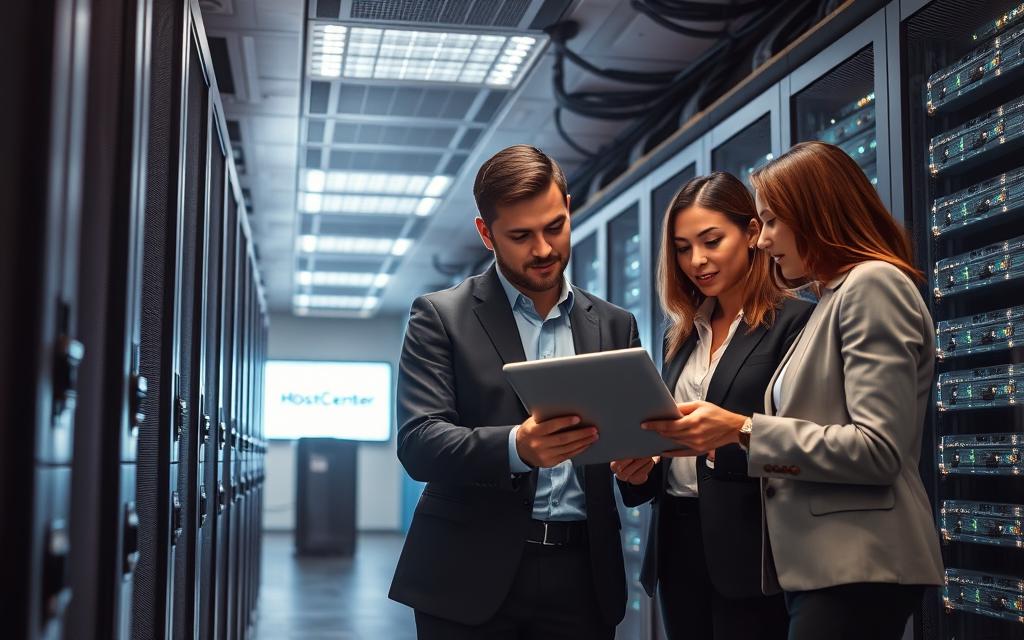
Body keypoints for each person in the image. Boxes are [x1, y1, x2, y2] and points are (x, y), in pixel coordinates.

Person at [642, 141, 944, 639]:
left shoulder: (872, 285)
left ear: (816, 215)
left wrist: (740, 430)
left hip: (855, 556)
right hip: (821, 559)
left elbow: (878, 450)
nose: (763, 240)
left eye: (772, 221)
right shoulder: (833, 298)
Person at [389, 144, 641, 639]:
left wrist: (641, 467)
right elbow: (419, 442)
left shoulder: (615, 324)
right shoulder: (440, 316)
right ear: (486, 233)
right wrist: (516, 447)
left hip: (583, 579)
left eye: (555, 227)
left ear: (567, 207)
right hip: (468, 576)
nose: (543, 249)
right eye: (521, 236)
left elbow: (635, 456)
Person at [611, 172, 812, 639]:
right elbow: (672, 440)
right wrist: (643, 468)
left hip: (754, 552)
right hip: (678, 545)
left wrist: (727, 441)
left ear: (751, 232)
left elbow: (806, 445)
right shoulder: (681, 336)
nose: (696, 260)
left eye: (711, 241)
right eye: (682, 248)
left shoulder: (795, 323)